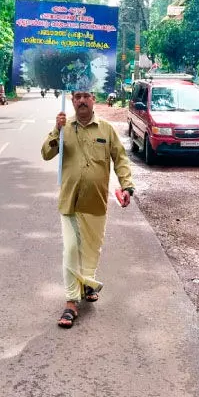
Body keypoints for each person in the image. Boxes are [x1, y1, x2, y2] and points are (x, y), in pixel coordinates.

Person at [41, 90, 134, 329]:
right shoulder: (64, 127)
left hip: (96, 201)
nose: (81, 100)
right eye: (77, 96)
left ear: (94, 99)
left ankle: (88, 282)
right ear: (72, 101)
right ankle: (71, 301)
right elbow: (46, 153)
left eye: (86, 96)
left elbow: (120, 159)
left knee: (92, 248)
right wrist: (56, 130)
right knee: (71, 248)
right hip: (70, 201)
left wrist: (127, 187)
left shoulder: (106, 129)